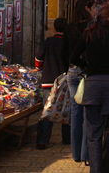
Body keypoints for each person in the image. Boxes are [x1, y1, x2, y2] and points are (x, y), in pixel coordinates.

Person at [70, 6, 109, 173]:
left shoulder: (88, 34)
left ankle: (96, 170)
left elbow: (73, 57)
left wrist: (88, 65)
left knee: (93, 132)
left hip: (93, 86)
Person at [63, 0, 97, 163]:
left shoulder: (70, 27)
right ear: (87, 8)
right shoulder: (91, 27)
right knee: (87, 113)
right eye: (94, 7)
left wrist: (67, 68)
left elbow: (65, 52)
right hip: (86, 72)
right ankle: (86, 154)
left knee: (75, 113)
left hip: (71, 71)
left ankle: (76, 154)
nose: (95, 10)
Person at [35, 18, 70, 149]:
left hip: (48, 81)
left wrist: (39, 68)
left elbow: (38, 59)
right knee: (66, 109)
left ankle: (42, 141)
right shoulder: (67, 42)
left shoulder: (48, 42)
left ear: (54, 28)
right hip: (64, 81)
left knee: (47, 111)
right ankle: (67, 139)